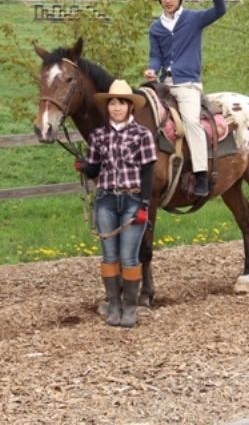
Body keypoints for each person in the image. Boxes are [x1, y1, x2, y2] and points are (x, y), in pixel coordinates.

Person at [74, 79, 157, 328]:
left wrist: (144, 204)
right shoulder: (98, 136)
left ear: (130, 107)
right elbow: (94, 170)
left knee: (129, 257)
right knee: (109, 256)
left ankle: (130, 308)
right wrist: (84, 167)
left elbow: (148, 173)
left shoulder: (143, 135)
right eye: (112, 103)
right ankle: (114, 304)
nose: (117, 107)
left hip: (132, 200)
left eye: (122, 103)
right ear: (107, 106)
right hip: (106, 201)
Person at [144, 0, 226, 197]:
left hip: (187, 84)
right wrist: (151, 70)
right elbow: (155, 56)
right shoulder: (156, 28)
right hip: (163, 85)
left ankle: (201, 174)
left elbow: (220, 10)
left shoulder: (193, 19)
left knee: (190, 121)